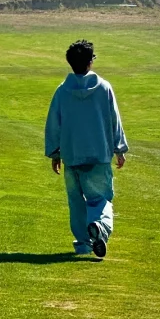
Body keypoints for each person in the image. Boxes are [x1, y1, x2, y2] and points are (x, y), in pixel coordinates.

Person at [45, 39, 128, 258]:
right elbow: (114, 120)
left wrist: (55, 153)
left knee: (76, 202)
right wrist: (119, 149)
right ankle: (99, 228)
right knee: (100, 199)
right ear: (90, 62)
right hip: (98, 155)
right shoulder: (104, 88)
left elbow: (54, 124)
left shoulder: (62, 92)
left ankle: (83, 243)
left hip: (72, 156)